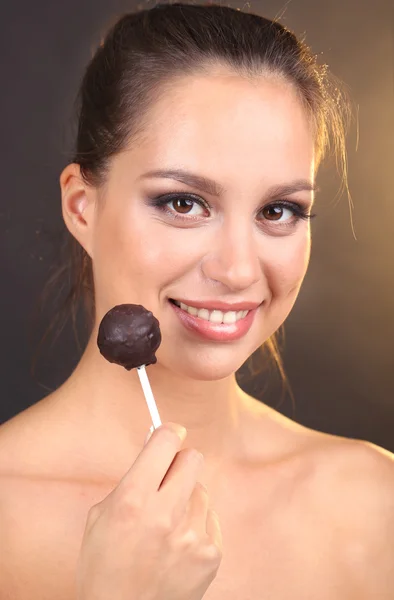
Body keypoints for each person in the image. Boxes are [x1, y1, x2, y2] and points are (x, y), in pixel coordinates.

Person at [0, 2, 393, 599]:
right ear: (83, 205)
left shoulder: (374, 502)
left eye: (278, 210)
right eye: (183, 203)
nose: (237, 270)